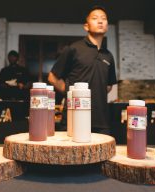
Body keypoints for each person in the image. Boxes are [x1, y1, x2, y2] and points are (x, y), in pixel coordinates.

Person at [48, 6, 117, 134]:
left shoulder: (108, 55)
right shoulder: (73, 49)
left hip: (101, 121)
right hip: (74, 117)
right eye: (95, 18)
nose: (100, 21)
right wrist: (70, 92)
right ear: (86, 26)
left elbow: (108, 86)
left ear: (107, 25)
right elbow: (52, 77)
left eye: (104, 18)